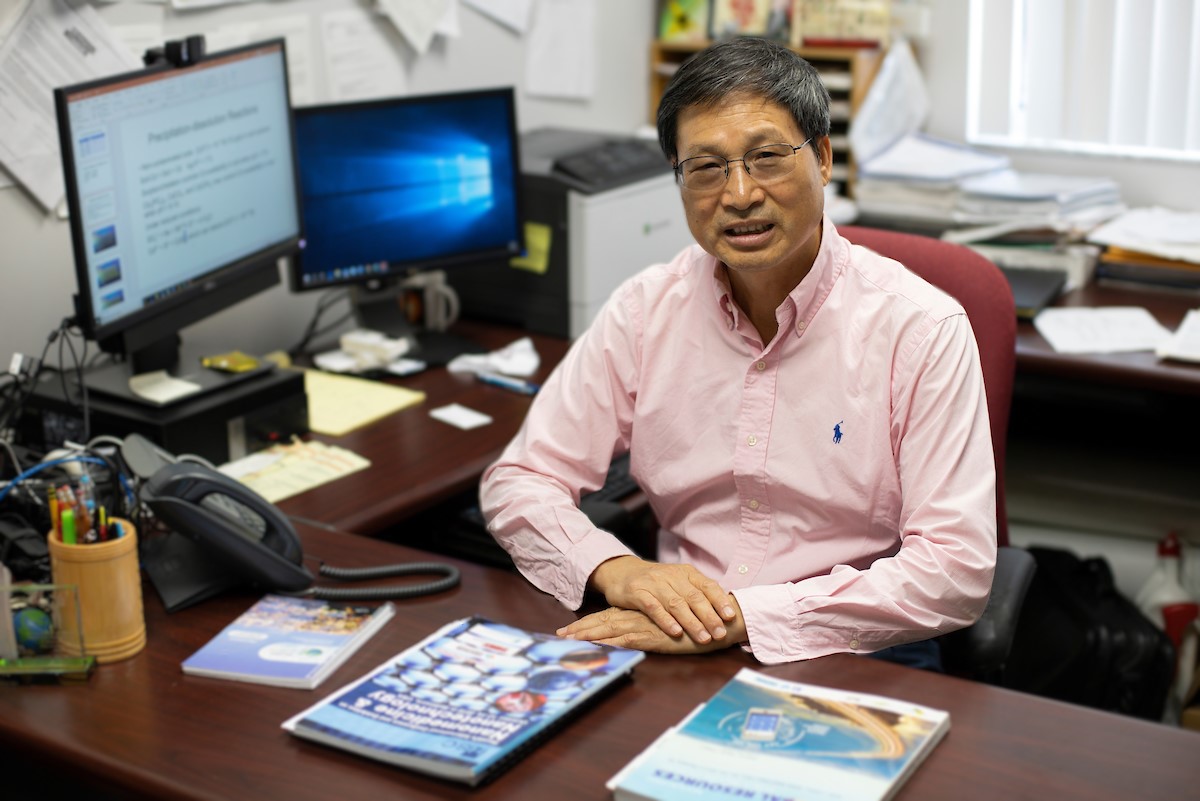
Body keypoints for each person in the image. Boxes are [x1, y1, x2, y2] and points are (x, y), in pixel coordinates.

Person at [479, 37, 996, 666]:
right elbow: (521, 480)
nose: (740, 194)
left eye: (767, 158)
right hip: (673, 630)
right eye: (706, 167)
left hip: (850, 645)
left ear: (823, 158)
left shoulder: (921, 328)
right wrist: (618, 570)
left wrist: (741, 618)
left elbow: (954, 569)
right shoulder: (646, 310)